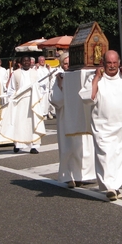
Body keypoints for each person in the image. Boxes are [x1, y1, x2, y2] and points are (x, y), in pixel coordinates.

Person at [79, 50, 122, 200]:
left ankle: (117, 186)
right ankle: (110, 186)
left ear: (119, 63)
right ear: (103, 63)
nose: (111, 66)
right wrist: (97, 77)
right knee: (106, 155)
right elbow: (88, 98)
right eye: (108, 63)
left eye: (114, 63)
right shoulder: (95, 78)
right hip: (103, 125)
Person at [49, 53, 96, 188]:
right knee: (68, 147)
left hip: (81, 114)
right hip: (65, 116)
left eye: (70, 63)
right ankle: (70, 176)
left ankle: (83, 175)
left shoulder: (81, 76)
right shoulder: (58, 77)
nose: (68, 65)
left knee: (84, 147)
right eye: (65, 63)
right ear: (62, 64)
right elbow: (55, 100)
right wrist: (60, 84)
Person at [3, 55, 45, 154]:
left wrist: (36, 89)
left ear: (30, 63)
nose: (26, 62)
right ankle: (17, 145)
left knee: (32, 123)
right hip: (20, 102)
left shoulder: (35, 73)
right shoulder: (15, 74)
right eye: (24, 61)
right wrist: (13, 97)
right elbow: (11, 89)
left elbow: (41, 87)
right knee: (19, 124)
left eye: (28, 61)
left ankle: (33, 146)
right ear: (21, 63)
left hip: (32, 101)